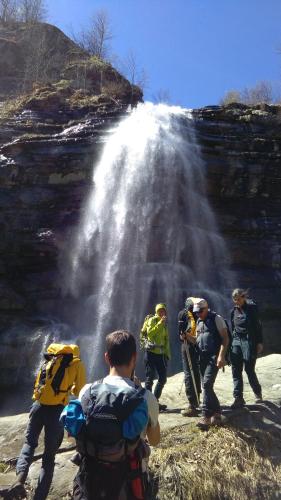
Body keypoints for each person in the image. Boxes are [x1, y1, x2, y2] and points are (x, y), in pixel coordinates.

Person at [73, 330, 160, 500]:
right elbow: (155, 440)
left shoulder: (86, 392)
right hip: (129, 485)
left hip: (90, 484)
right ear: (134, 358)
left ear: (106, 357)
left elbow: (73, 435)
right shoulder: (145, 397)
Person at [10, 343, 86, 500]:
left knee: (29, 444)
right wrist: (69, 390)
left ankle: (19, 480)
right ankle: (40, 496)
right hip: (56, 410)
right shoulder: (77, 364)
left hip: (38, 406)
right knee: (49, 457)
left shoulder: (50, 359)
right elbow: (80, 391)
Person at [192, 299, 229, 429]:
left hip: (213, 357)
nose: (198, 314)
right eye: (196, 312)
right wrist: (187, 337)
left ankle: (206, 416)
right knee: (207, 386)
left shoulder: (217, 318)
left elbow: (225, 338)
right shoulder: (198, 321)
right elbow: (197, 340)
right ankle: (217, 413)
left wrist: (221, 356)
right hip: (202, 357)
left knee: (207, 384)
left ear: (207, 308)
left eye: (200, 311)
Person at [230, 288, 263, 409]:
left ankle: (258, 394)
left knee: (249, 369)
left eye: (238, 299)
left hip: (249, 340)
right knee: (236, 370)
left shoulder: (252, 309)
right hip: (236, 340)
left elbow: (258, 326)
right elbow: (232, 327)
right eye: (234, 300)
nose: (236, 302)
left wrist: (259, 342)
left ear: (244, 297)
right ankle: (238, 398)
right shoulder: (233, 311)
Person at [141, 303, 170, 411]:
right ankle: (148, 404)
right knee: (149, 379)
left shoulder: (165, 324)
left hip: (161, 354)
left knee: (163, 378)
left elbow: (166, 340)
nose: (162, 313)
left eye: (163, 311)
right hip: (150, 353)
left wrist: (167, 354)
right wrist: (159, 323)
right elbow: (150, 333)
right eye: (159, 311)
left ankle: (155, 400)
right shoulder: (152, 320)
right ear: (156, 311)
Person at [178, 297, 202, 417]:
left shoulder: (183, 313)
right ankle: (197, 397)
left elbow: (180, 334)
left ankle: (192, 404)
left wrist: (183, 336)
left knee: (188, 373)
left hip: (187, 345)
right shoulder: (199, 313)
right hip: (197, 344)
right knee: (196, 371)